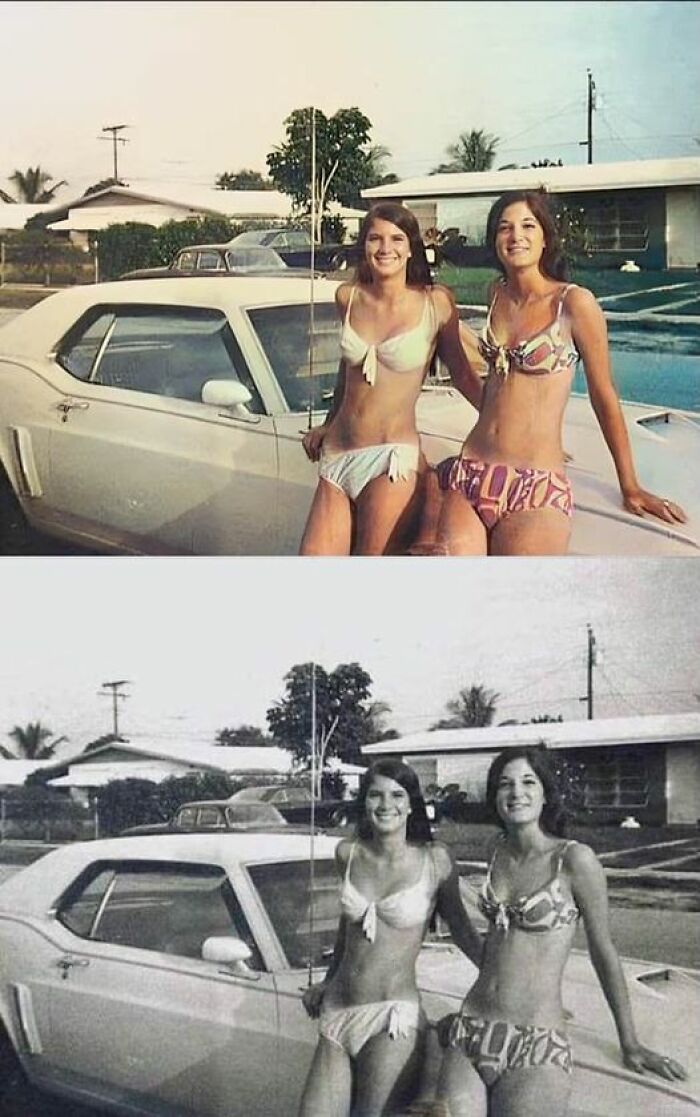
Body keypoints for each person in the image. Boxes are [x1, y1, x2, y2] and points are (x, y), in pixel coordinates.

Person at [424, 190, 686, 556]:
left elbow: (603, 394)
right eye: (505, 228)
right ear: (495, 240)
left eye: (527, 226)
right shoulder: (495, 293)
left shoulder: (574, 303)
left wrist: (630, 484)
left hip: (535, 485)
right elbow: (495, 388)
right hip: (471, 472)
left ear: (545, 237)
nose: (516, 236)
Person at [432, 746, 687, 1117]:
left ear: (546, 794)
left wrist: (629, 1041)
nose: (516, 792)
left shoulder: (574, 860)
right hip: (470, 1029)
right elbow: (492, 943)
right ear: (495, 797)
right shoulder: (495, 850)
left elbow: (603, 951)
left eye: (528, 782)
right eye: (505, 784)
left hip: (536, 1042)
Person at [298, 758, 483, 1117]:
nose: (386, 805)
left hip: (392, 1018)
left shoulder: (435, 860)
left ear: (412, 804)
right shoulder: (347, 853)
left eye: (397, 795)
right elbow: (348, 929)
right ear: (364, 802)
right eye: (375, 795)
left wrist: (499, 979)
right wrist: (326, 980)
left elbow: (462, 928)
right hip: (337, 1012)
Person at [299, 202, 483, 556]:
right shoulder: (348, 297)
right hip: (338, 454)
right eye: (375, 238)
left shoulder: (436, 303)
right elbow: (348, 372)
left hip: (391, 459)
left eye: (397, 239)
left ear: (411, 247)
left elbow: (462, 373)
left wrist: (503, 427)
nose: (386, 248)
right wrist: (327, 422)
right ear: (364, 245)